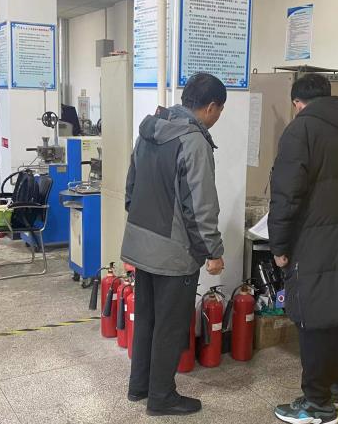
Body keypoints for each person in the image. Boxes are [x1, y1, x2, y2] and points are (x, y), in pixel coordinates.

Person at [122, 73, 226, 416]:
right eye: (219, 111)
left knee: (147, 319)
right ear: (211, 107)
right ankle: (162, 397)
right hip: (173, 252)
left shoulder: (151, 129)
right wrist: (212, 251)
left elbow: (131, 185)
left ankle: (140, 386)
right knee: (170, 325)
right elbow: (200, 205)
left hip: (142, 241)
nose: (217, 117)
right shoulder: (193, 141)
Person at [268, 74, 338, 424]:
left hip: (312, 240)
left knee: (312, 317)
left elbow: (286, 194)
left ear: (298, 103)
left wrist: (279, 245)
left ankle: (316, 403)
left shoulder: (302, 130)